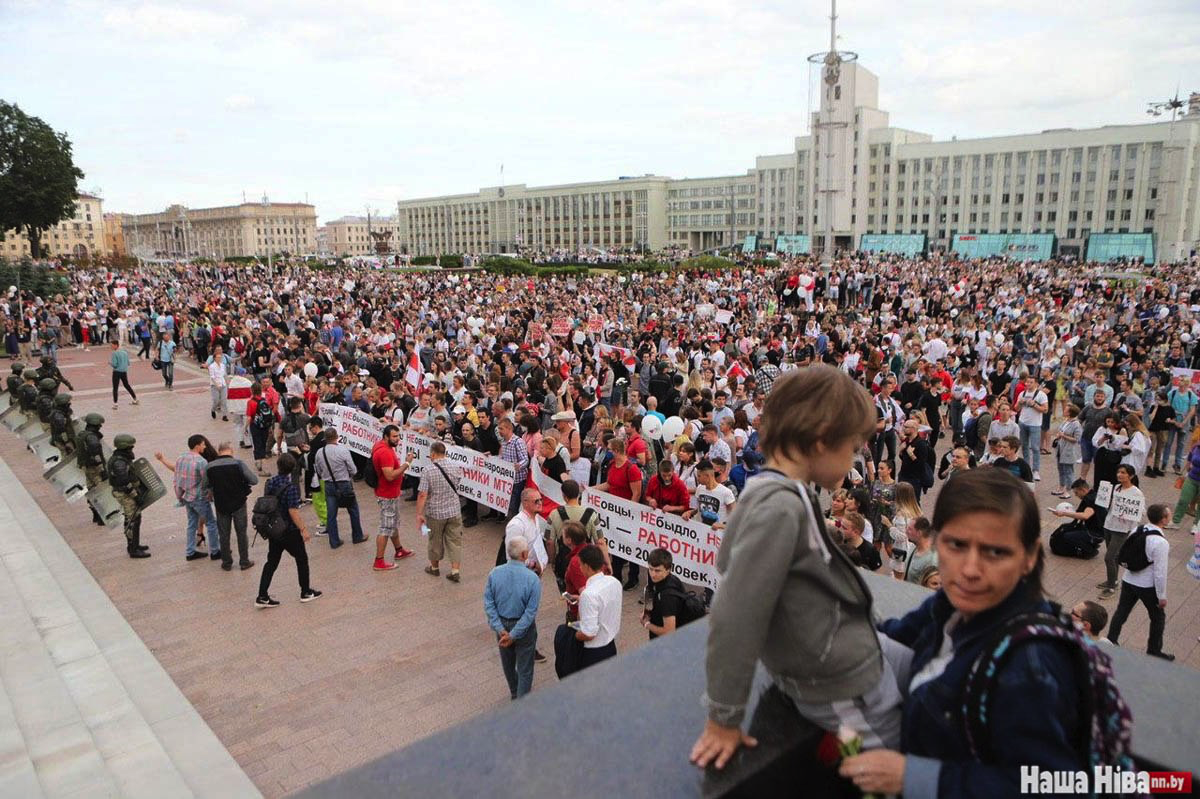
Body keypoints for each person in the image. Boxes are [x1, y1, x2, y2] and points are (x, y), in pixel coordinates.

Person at [841, 468, 1112, 798]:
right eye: (956, 545)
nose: (969, 570)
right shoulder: (951, 606)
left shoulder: (1029, 665)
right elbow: (893, 634)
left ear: (1029, 558)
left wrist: (914, 777)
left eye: (995, 552)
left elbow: (1046, 785)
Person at [693, 365, 902, 772]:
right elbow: (736, 616)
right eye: (853, 446)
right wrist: (724, 716)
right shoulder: (779, 506)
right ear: (823, 439)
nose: (856, 457)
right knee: (879, 769)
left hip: (845, 659)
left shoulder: (779, 491)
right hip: (840, 687)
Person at [1106, 503, 1173, 660]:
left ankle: (1111, 639)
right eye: (1168, 515)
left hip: (1129, 579)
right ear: (1163, 520)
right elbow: (1160, 573)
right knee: (1157, 617)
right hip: (1147, 585)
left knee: (1121, 611)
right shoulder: (1161, 542)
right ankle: (1154, 650)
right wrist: (1161, 596)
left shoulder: (1138, 530)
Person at [256, 453, 321, 607]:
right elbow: (293, 511)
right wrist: (303, 529)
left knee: (271, 562)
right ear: (292, 468)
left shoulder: (270, 482)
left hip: (274, 529)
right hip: (289, 530)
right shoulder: (291, 487)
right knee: (301, 559)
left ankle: (262, 595)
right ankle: (305, 591)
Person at [483, 537, 541, 700]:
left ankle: (515, 693)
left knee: (508, 664)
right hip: (523, 627)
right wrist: (514, 634)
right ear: (524, 554)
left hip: (502, 624)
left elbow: (489, 603)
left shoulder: (494, 573)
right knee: (525, 667)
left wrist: (500, 628)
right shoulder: (532, 579)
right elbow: (530, 612)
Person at [156, 435, 221, 562]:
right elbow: (206, 481)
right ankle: (215, 551)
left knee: (192, 524)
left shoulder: (181, 457)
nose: (205, 446)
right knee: (211, 523)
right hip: (199, 498)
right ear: (197, 445)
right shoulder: (201, 462)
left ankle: (190, 552)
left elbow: (177, 473)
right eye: (203, 444)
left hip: (186, 497)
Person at [595, 436, 643, 590]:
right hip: (613, 512)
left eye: (610, 450)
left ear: (616, 451)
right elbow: (609, 484)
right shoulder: (612, 465)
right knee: (615, 545)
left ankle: (633, 577)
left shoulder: (631, 469)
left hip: (626, 514)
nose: (608, 453)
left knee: (628, 545)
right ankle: (616, 577)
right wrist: (591, 490)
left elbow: (636, 493)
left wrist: (628, 512)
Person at [204, 441, 257, 571]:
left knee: (224, 534)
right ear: (230, 450)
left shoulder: (209, 466)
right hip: (239, 503)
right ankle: (244, 561)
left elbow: (205, 485)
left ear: (219, 451)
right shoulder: (238, 464)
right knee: (241, 533)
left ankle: (226, 562)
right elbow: (254, 480)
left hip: (221, 504)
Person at [416, 440, 464, 581]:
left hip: (435, 513)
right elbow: (457, 483)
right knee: (455, 541)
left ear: (433, 454)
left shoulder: (427, 470)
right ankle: (455, 571)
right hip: (454, 510)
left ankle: (434, 567)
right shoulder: (455, 466)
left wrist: (419, 513)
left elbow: (423, 494)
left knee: (434, 540)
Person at [370, 424, 416, 571]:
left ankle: (399, 550)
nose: (397, 439)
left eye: (398, 436)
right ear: (386, 437)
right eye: (394, 436)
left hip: (389, 493)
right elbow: (389, 476)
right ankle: (379, 561)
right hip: (387, 495)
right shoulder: (385, 453)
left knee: (393, 523)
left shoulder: (381, 446)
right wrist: (407, 463)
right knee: (385, 527)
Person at [314, 428, 367, 548]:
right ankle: (357, 536)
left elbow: (319, 470)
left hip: (328, 485)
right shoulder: (343, 450)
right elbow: (353, 470)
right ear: (336, 437)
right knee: (353, 510)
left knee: (331, 514)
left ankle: (334, 541)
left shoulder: (319, 452)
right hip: (344, 484)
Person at [1097, 465, 1144, 600]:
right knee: (1114, 557)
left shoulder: (1136, 493)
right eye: (1118, 472)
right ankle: (1113, 580)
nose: (1119, 475)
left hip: (1121, 530)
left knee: (1109, 557)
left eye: (1123, 473)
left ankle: (1111, 586)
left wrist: (1130, 526)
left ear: (1131, 476)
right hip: (1109, 525)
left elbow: (1140, 511)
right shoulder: (1116, 488)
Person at [574, 544, 622, 669]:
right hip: (611, 645)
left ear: (587, 566)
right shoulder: (614, 582)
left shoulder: (589, 594)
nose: (579, 567)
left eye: (580, 564)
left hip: (594, 653)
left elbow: (589, 634)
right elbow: (604, 604)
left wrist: (573, 635)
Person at [107, 433, 150, 559]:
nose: (132, 449)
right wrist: (136, 496)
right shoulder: (119, 462)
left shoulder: (122, 459)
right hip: (125, 494)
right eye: (130, 447)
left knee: (136, 518)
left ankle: (135, 545)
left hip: (127, 493)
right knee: (132, 521)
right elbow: (124, 482)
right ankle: (133, 549)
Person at [642, 548, 686, 639]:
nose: (653, 574)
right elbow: (650, 591)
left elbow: (669, 632)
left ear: (668, 569)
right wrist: (647, 611)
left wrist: (647, 624)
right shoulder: (665, 578)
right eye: (651, 569)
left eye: (657, 571)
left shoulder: (668, 597)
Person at [1015, 373, 1049, 481]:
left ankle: (1036, 470)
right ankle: (1027, 468)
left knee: (1035, 448)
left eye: (1031, 382)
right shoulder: (1022, 393)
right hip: (1023, 422)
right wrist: (1020, 403)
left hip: (1035, 424)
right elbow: (1016, 409)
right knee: (1024, 446)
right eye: (1027, 382)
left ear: (1036, 384)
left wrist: (1034, 404)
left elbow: (1045, 410)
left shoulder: (1041, 395)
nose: (1028, 384)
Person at [685, 459, 736, 529]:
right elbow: (700, 509)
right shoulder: (700, 488)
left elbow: (736, 516)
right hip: (700, 531)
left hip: (716, 535)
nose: (697, 479)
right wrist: (690, 512)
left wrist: (722, 526)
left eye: (699, 476)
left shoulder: (726, 492)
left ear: (707, 476)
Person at [1167, 426, 1200, 529]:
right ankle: (1175, 522)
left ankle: (1196, 525)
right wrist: (1187, 469)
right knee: (1183, 500)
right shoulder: (1196, 447)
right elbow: (1190, 458)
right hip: (1192, 478)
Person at [1051, 404, 1083, 497]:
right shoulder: (1065, 421)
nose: (1064, 411)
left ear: (1070, 413)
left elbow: (1076, 439)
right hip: (1060, 449)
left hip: (1069, 451)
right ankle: (1061, 487)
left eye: (1066, 410)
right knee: (1061, 469)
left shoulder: (1076, 424)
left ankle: (1069, 490)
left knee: (1069, 471)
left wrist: (1063, 436)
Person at [109, 339, 138, 409]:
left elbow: (115, 365)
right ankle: (135, 398)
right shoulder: (125, 352)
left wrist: (110, 363)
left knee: (115, 387)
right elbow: (128, 363)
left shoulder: (114, 353)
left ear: (116, 345)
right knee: (127, 385)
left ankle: (115, 403)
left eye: (112, 345)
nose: (111, 347)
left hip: (116, 372)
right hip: (124, 371)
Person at [207, 344, 230, 421]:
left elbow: (225, 375)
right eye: (218, 357)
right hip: (215, 385)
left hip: (223, 385)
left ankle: (224, 415)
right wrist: (216, 385)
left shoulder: (223, 365)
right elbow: (212, 377)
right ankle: (213, 409)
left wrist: (227, 382)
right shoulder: (212, 366)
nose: (219, 359)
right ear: (214, 358)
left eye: (220, 357)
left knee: (224, 400)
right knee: (216, 400)